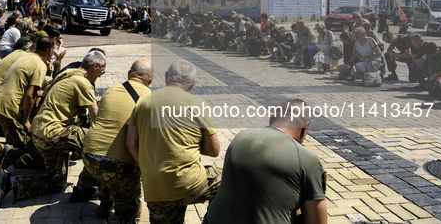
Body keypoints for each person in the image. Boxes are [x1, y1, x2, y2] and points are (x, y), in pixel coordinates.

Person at [0, 51, 106, 210]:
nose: (101, 76)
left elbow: (45, 92)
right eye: (102, 72)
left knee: (56, 182)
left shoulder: (65, 74)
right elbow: (96, 119)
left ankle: (10, 182)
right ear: (96, 66)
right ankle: (84, 188)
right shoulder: (83, 83)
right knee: (97, 142)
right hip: (52, 131)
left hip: (39, 131)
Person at [203, 98, 327, 224]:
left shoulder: (241, 138)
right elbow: (317, 221)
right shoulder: (307, 158)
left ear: (271, 118)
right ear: (304, 128)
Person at [126, 60, 221, 224]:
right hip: (190, 184)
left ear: (166, 76)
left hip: (154, 187)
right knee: (228, 179)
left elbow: (131, 143)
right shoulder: (199, 105)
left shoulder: (143, 101)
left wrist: (147, 166)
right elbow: (214, 151)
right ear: (192, 84)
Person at [82, 60, 153, 221]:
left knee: (107, 173)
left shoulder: (111, 90)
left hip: (89, 156)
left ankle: (105, 204)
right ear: (150, 81)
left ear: (129, 74)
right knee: (129, 213)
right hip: (119, 166)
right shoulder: (150, 99)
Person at [0, 38, 53, 169]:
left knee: (15, 138)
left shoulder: (27, 56)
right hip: (8, 107)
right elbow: (30, 95)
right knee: (25, 146)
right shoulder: (39, 66)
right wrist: (26, 121)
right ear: (50, 50)